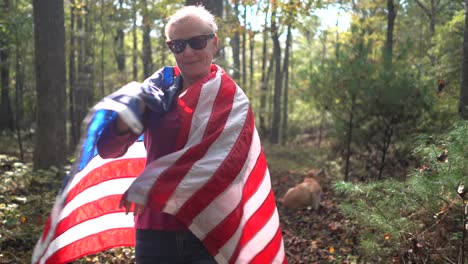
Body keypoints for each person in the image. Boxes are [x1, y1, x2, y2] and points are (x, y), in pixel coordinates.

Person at [97, 5, 287, 264]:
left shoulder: (233, 102)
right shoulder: (157, 94)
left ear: (214, 43)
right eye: (177, 45)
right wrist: (132, 109)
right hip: (155, 231)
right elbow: (108, 149)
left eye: (197, 42)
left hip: (210, 232)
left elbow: (227, 167)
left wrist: (151, 187)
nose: (188, 52)